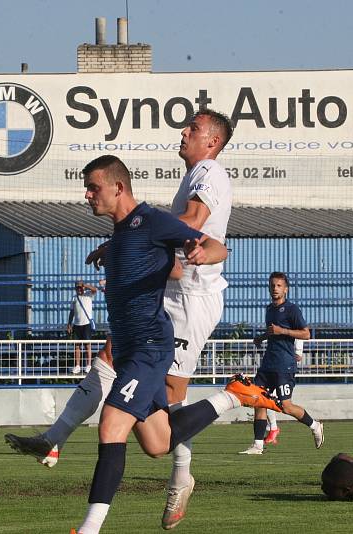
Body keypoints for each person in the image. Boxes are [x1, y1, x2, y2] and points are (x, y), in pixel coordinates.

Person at [5, 109, 234, 529]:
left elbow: (201, 233)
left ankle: (100, 514)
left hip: (183, 309)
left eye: (194, 128)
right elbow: (162, 245)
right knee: (155, 437)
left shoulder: (203, 176)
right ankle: (230, 399)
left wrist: (172, 245)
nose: (184, 132)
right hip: (155, 317)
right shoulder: (134, 225)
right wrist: (122, 246)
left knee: (120, 419)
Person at [54, 155, 267, 534]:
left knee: (111, 424)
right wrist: (113, 250)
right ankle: (233, 395)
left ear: (118, 187)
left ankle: (88, 528)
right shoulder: (121, 232)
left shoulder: (151, 220)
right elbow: (157, 260)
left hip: (150, 346)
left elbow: (218, 247)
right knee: (157, 441)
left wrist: (204, 253)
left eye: (93, 187)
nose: (87, 195)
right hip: (132, 347)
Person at [240, 272, 323, 454]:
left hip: (284, 364)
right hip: (267, 364)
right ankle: (258, 445)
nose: (275, 289)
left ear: (286, 289)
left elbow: (306, 334)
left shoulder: (292, 309)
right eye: (272, 285)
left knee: (286, 406)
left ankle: (315, 425)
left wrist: (282, 331)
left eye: (278, 286)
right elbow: (272, 331)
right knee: (259, 401)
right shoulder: (269, 309)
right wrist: (261, 337)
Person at [263, 339, 305, 445]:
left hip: (284, 367)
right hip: (273, 364)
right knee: (265, 398)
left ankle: (314, 425)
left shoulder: (291, 325)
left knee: (279, 403)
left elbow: (299, 331)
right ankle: (272, 429)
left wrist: (299, 351)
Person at [67, 280, 99, 374]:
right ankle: (77, 366)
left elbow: (95, 289)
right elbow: (72, 312)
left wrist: (84, 285)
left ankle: (88, 365)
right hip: (77, 324)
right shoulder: (74, 298)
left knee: (87, 345)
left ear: (83, 288)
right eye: (77, 287)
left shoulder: (88, 295)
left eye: (80, 287)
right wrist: (69, 323)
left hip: (86, 324)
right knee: (77, 346)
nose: (79, 289)